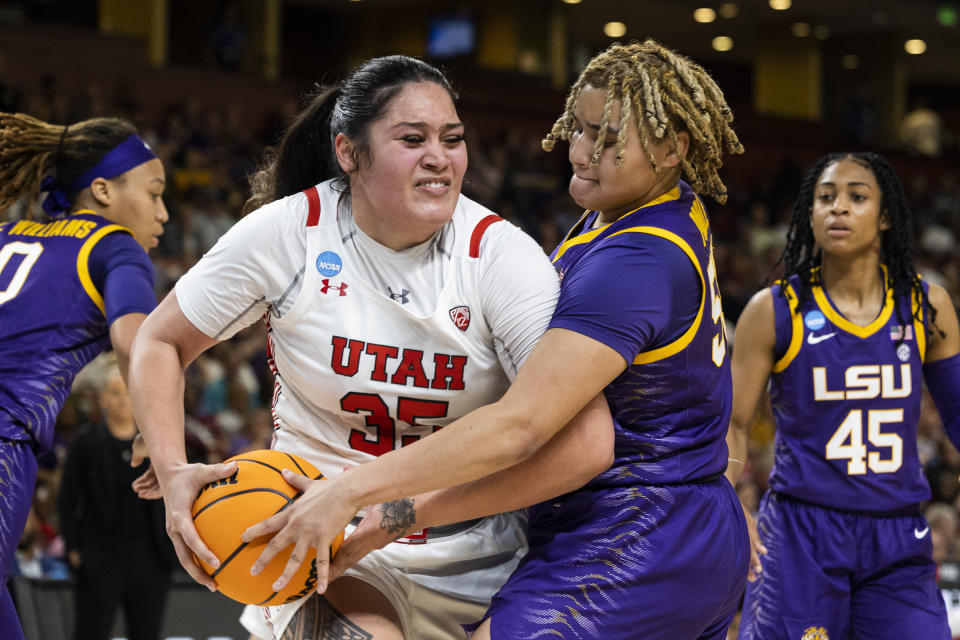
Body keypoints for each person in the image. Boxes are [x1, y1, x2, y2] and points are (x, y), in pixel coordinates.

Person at [244, 40, 750, 639]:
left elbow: (522, 426)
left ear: (672, 149)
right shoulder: (647, 215)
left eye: (608, 140)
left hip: (636, 530)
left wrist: (362, 497)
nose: (582, 154)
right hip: (682, 523)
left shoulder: (633, 261)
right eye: (580, 130)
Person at [128, 54, 612, 640]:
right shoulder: (288, 233)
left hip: (482, 550)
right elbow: (160, 339)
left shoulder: (502, 257)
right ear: (349, 154)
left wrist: (394, 510)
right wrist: (172, 464)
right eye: (413, 139)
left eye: (452, 138)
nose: (440, 157)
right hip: (324, 544)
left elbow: (585, 444)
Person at [727, 151, 960, 640]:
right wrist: (732, 510)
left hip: (897, 534)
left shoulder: (926, 305)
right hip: (800, 535)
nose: (839, 208)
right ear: (809, 214)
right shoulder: (772, 310)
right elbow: (733, 425)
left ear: (887, 215)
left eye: (857, 197)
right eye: (826, 198)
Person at [0, 112, 168, 640]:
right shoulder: (113, 245)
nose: (163, 213)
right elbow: (136, 343)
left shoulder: (8, 232)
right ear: (101, 190)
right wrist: (159, 439)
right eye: (155, 192)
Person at [58, 356, 175, 640]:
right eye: (115, 393)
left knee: (146, 633)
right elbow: (66, 500)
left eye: (128, 393)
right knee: (90, 632)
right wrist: (74, 548)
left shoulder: (159, 444)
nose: (123, 400)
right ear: (103, 399)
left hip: (150, 557)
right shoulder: (86, 444)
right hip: (101, 555)